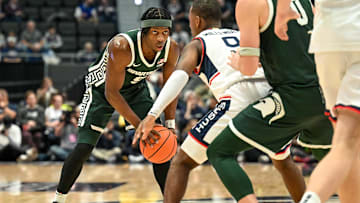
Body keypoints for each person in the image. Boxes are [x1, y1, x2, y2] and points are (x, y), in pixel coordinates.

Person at [133, 1, 317, 202]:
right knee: (282, 159)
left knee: (182, 162)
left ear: (196, 21)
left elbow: (179, 77)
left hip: (238, 96)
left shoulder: (197, 43)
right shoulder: (240, 33)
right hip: (271, 94)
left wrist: (153, 115)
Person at [201, 0, 333, 202]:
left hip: (291, 98)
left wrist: (238, 61)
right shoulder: (305, 1)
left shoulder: (249, 4)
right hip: (324, 96)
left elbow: (249, 68)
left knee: (219, 152)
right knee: (340, 164)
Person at [52, 7, 179, 203]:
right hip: (102, 89)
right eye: (155, 32)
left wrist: (170, 124)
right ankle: (59, 199)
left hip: (135, 88)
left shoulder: (172, 48)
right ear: (144, 32)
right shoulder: (122, 46)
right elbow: (111, 93)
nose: (161, 38)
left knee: (157, 138)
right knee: (84, 147)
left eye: (165, 33)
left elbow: (170, 87)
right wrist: (139, 125)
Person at [274, 0, 360, 202]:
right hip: (356, 33)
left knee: (346, 143)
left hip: (326, 39)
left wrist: (282, 12)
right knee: (347, 143)